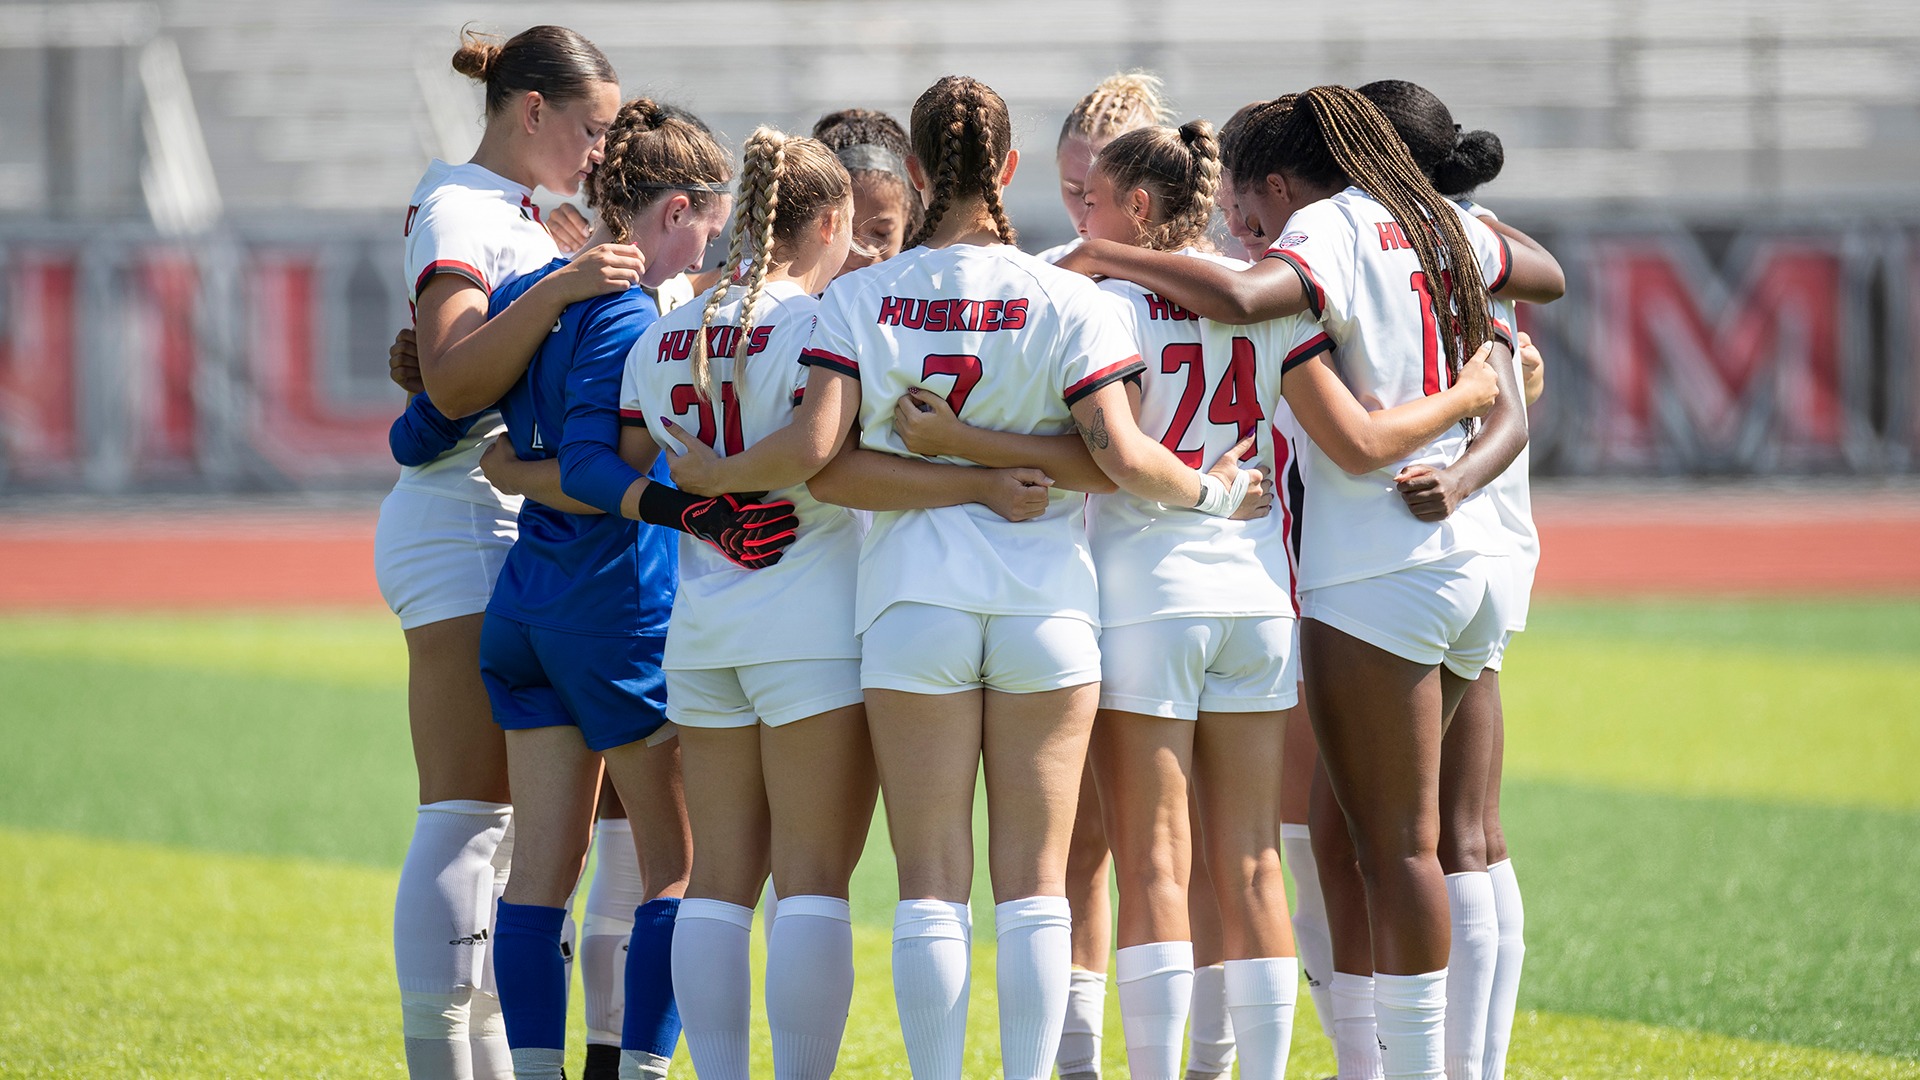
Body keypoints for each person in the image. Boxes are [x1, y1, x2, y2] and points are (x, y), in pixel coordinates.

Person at [656, 74, 1267, 1080]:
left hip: (910, 605)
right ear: (1012, 170)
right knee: (1034, 886)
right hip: (1045, 608)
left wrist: (960, 479)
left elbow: (826, 461)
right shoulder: (1071, 296)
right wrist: (1205, 494)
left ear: (922, 172)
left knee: (931, 884)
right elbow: (1119, 455)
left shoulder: (858, 294)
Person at [469, 97, 799, 1080]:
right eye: (705, 219)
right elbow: (585, 465)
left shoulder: (542, 288)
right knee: (683, 869)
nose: (709, 243)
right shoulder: (620, 310)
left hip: (525, 606)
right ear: (674, 210)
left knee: (541, 876)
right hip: (611, 609)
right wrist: (690, 512)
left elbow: (467, 438)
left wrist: (503, 464)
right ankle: (643, 1072)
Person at [378, 25, 639, 1080]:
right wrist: (565, 286)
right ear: (531, 111)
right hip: (460, 520)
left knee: (524, 839)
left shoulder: (526, 213)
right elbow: (446, 381)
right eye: (591, 127)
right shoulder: (460, 208)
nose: (601, 149)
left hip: (515, 525)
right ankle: (440, 1063)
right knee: (470, 812)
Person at [618, 126, 874, 1080]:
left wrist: (705, 501)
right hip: (808, 623)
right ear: (833, 218)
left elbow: (632, 462)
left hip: (704, 627)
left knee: (718, 882)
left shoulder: (665, 329)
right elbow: (827, 452)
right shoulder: (823, 322)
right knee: (811, 883)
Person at [1359, 78, 1551, 1080]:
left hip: (1434, 541)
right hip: (1487, 540)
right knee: (1465, 833)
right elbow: (1545, 279)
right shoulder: (1463, 232)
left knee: (1417, 838)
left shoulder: (1396, 239)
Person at [812, 108, 919, 275]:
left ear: (907, 218)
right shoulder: (795, 298)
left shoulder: (929, 292)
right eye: (849, 235)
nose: (867, 250)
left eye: (882, 233)